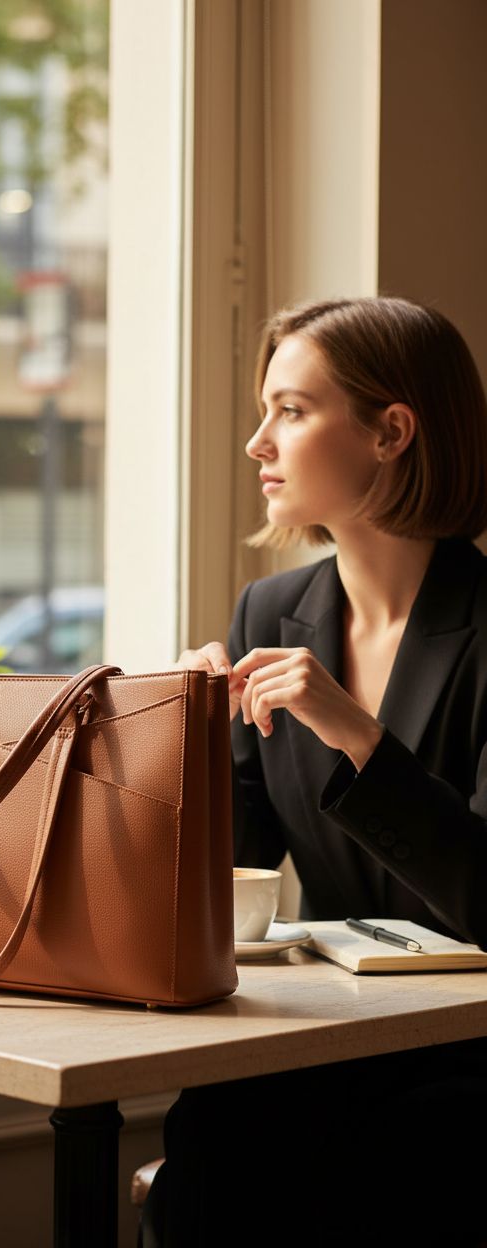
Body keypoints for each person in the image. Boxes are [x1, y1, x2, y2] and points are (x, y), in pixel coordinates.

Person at [141, 296, 487, 1247]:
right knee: (215, 1135)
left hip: (463, 1058)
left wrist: (356, 733)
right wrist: (185, 743)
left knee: (397, 1160)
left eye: (291, 411)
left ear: (391, 431)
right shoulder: (271, 611)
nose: (259, 442)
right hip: (333, 1035)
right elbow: (238, 877)